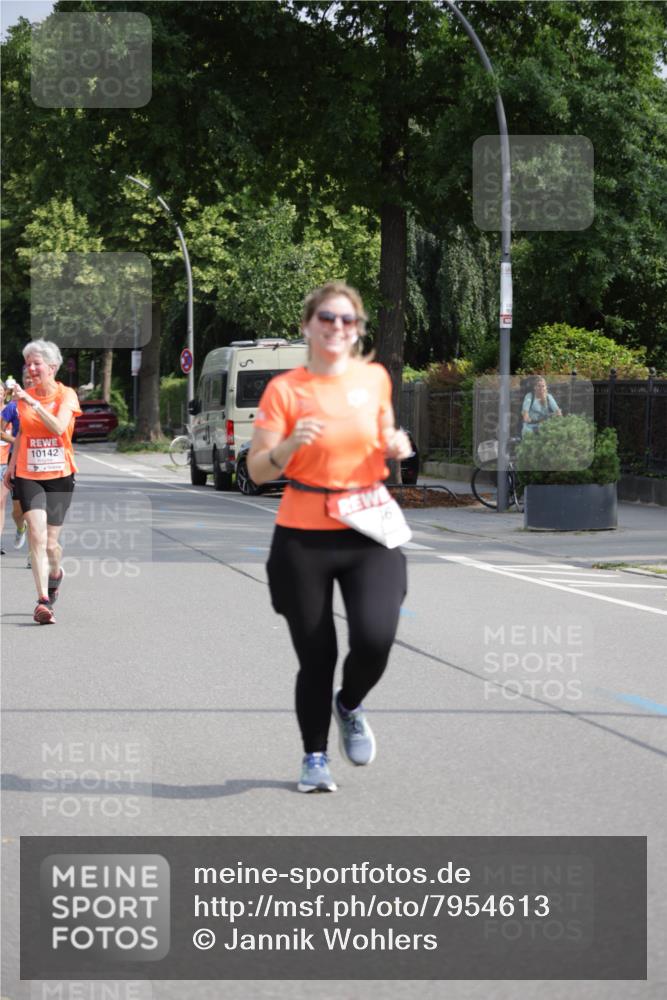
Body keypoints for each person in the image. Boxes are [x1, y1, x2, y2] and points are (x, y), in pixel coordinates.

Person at [247, 281, 412, 793]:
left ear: (357, 329)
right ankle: (314, 757)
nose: (337, 327)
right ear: (307, 325)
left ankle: (350, 703)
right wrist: (290, 444)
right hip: (302, 534)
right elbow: (256, 470)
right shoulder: (285, 390)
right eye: (327, 318)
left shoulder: (375, 379)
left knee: (375, 637)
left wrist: (396, 446)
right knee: (316, 657)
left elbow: (385, 435)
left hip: (368, 525)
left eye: (347, 320)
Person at [3, 340, 81, 624]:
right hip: (29, 474)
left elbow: (59, 427)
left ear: (52, 367)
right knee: (35, 534)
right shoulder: (23, 397)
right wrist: (11, 467)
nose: (32, 368)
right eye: (28, 364)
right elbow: (24, 433)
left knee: (51, 544)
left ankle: (56, 574)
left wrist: (33, 402)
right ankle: (42, 601)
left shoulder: (67, 395)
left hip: (60, 476)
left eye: (37, 363)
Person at [1, 372, 31, 555]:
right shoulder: (13, 407)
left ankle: (33, 554)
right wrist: (18, 442)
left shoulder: (48, 404)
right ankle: (21, 528)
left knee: (35, 509)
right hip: (16, 461)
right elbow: (1, 432)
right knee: (18, 511)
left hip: (40, 464)